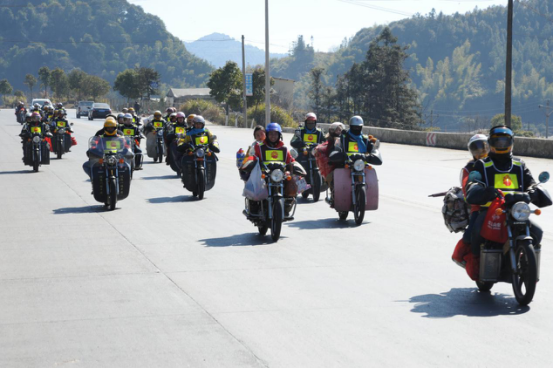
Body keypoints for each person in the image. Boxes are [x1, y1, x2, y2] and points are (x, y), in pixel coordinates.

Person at [464, 125, 547, 280]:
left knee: (538, 231)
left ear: (511, 142)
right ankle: (476, 262)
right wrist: (481, 190)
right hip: (490, 211)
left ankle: (527, 263)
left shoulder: (519, 164)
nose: (501, 145)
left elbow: (530, 182)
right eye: (498, 141)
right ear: (491, 143)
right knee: (476, 231)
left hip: (516, 210)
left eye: (504, 141)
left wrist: (533, 190)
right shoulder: (483, 165)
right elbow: (474, 181)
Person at [451, 134, 489, 271]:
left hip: (500, 202)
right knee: (471, 233)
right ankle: (458, 255)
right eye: (477, 148)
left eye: (484, 147)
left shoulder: (496, 163)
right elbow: (467, 189)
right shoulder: (469, 168)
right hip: (479, 206)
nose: (481, 151)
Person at [253, 122, 297, 215]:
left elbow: (290, 160)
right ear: (267, 134)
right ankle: (255, 208)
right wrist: (251, 162)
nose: (273, 136)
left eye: (275, 134)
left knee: (293, 183)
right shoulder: (259, 147)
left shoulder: (284, 148)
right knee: (253, 186)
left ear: (279, 135)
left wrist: (294, 165)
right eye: (271, 134)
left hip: (280, 175)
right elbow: (253, 158)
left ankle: (287, 205)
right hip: (264, 175)